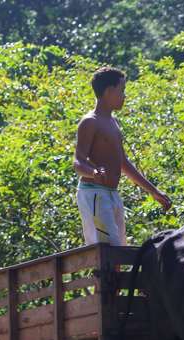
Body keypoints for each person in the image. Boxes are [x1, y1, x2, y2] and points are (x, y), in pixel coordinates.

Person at [73, 67, 172, 246]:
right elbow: (77, 162)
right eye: (123, 90)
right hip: (94, 192)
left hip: (113, 194)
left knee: (120, 248)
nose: (125, 96)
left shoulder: (114, 122)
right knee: (108, 252)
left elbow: (123, 163)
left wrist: (153, 191)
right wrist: (93, 172)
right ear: (111, 90)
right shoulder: (90, 121)